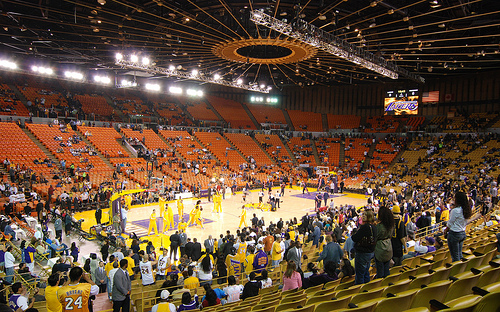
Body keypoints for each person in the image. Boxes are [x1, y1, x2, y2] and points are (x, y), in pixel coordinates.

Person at [444, 191, 474, 262]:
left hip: (454, 234)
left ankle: (457, 271)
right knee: (459, 255)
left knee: (455, 257)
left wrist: (445, 231)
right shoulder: (466, 209)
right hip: (462, 233)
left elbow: (450, 223)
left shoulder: (456, 210)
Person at [352, 209, 377, 285]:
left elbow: (355, 238)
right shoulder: (374, 227)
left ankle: (360, 292)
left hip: (362, 253)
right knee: (366, 273)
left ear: (369, 216)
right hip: (370, 253)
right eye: (363, 214)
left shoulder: (365, 227)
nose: (363, 216)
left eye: (365, 215)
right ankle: (366, 289)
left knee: (360, 275)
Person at [374, 206, 394, 279]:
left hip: (380, 248)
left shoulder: (379, 226)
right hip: (388, 246)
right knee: (386, 269)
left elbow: (375, 237)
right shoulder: (391, 225)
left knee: (380, 271)